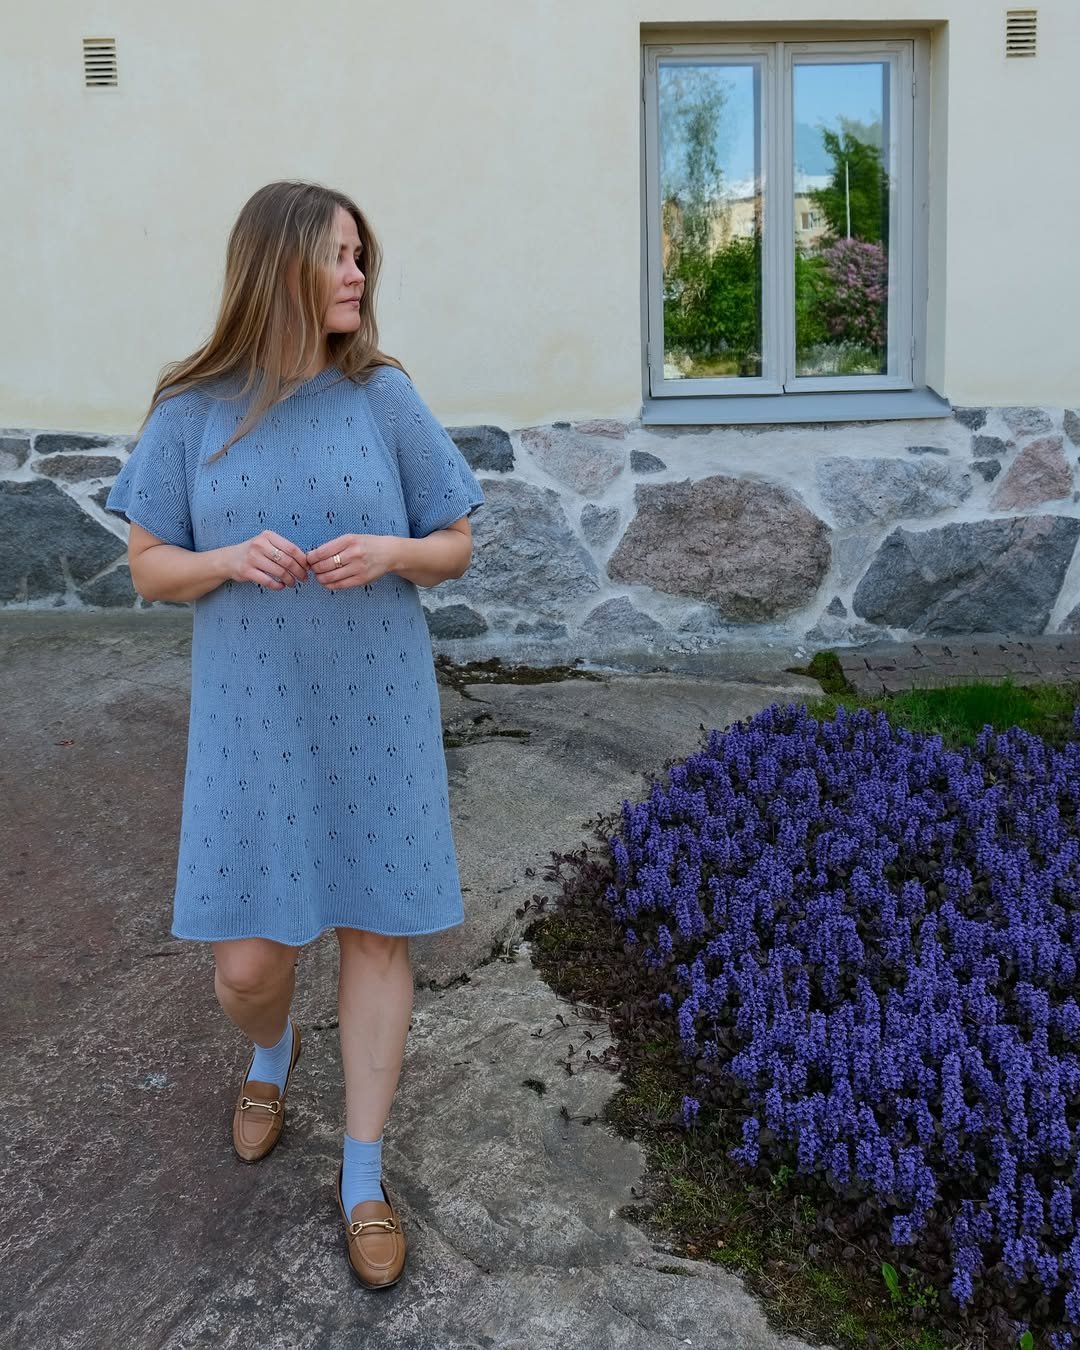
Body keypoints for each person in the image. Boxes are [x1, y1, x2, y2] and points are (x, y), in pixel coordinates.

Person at [106, 180, 484, 1289]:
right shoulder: (192, 409)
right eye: (338, 255)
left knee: (377, 932)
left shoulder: (383, 396)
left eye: (363, 255)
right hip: (252, 722)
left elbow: (455, 541)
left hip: (378, 711)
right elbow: (147, 567)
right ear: (276, 266)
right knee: (247, 966)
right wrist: (226, 559)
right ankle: (272, 1045)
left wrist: (394, 551)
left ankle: (362, 1176)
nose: (359, 274)